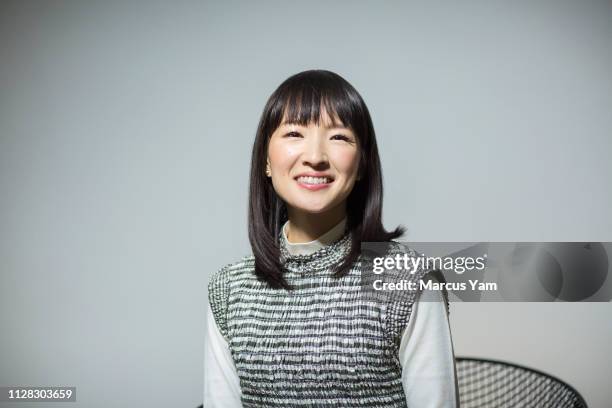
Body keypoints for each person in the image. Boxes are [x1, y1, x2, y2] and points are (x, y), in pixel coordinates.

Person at [204, 69, 459, 407]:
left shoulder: (408, 279)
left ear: (363, 164)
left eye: (339, 137)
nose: (315, 156)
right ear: (266, 160)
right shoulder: (228, 290)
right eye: (294, 133)